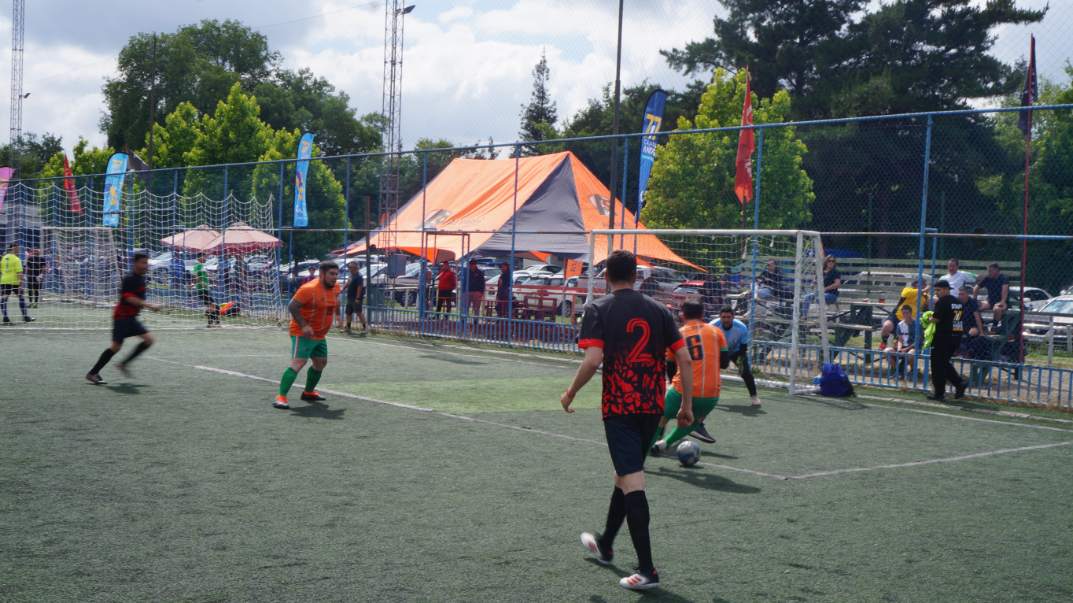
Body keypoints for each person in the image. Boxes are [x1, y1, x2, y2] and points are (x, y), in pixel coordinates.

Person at [564, 249, 692, 591]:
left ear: (605, 277)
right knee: (624, 474)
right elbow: (684, 358)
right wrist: (686, 406)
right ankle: (605, 545)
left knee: (633, 481)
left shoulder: (599, 308)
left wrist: (571, 392)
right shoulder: (660, 310)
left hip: (620, 407)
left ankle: (647, 571)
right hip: (652, 407)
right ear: (637, 277)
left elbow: (593, 360)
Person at [650, 300, 728, 455]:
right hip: (710, 392)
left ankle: (644, 452)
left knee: (661, 418)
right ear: (702, 315)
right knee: (699, 417)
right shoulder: (717, 332)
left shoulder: (678, 333)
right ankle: (666, 443)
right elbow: (725, 363)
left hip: (681, 389)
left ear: (683, 316)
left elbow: (671, 367)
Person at [274, 260, 342, 410]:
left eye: (336, 274)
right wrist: (304, 326)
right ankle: (280, 396)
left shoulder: (336, 287)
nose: (335, 277)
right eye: (331, 274)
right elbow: (292, 305)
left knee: (321, 362)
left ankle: (308, 392)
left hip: (320, 334)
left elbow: (335, 301)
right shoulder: (308, 288)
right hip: (303, 333)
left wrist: (338, 315)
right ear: (322, 274)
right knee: (299, 362)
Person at [85, 252, 162, 384]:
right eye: (143, 262)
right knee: (115, 347)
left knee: (149, 340)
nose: (146, 265)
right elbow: (129, 298)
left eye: (147, 262)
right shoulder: (129, 278)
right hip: (122, 317)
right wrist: (149, 305)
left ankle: (123, 364)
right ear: (135, 263)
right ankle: (92, 373)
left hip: (131, 318)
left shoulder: (141, 278)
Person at [711, 306, 762, 407]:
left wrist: (741, 359)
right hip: (718, 352)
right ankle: (708, 395)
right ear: (719, 316)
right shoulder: (712, 327)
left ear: (733, 316)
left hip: (736, 351)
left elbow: (743, 345)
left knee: (745, 372)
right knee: (710, 372)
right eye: (723, 317)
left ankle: (754, 396)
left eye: (728, 317)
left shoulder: (741, 328)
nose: (726, 320)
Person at [927, 280, 967, 402]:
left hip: (943, 337)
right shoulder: (958, 301)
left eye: (938, 290)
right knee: (943, 362)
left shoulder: (943, 301)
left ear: (946, 289)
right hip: (956, 336)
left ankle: (939, 393)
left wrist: (929, 318)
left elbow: (936, 319)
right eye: (935, 290)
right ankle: (959, 383)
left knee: (937, 365)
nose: (936, 293)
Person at [880, 277, 929, 351]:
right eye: (923, 284)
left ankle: (897, 343)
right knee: (886, 326)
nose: (925, 286)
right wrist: (924, 290)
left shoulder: (925, 296)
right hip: (897, 316)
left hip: (908, 320)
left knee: (903, 337)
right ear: (917, 285)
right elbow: (905, 294)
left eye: (926, 285)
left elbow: (932, 301)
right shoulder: (908, 290)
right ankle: (884, 341)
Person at [1, 243, 34, 323]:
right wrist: (22, 284)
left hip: (4, 280)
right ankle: (25, 316)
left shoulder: (3, 258)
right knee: (21, 297)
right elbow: (19, 272)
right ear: (14, 248)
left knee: (4, 298)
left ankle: (5, 317)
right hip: (14, 281)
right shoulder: (16, 259)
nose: (19, 249)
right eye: (18, 248)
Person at [973, 263, 1009, 332]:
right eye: (988, 271)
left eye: (990, 271)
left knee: (997, 309)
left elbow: (1005, 288)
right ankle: (982, 325)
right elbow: (976, 288)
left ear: (997, 271)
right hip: (990, 301)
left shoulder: (1003, 278)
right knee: (976, 307)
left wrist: (1002, 301)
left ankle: (994, 326)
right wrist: (974, 300)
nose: (988, 273)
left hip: (1003, 301)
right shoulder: (987, 278)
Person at [885, 306, 917, 376]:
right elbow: (900, 339)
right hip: (903, 347)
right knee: (886, 352)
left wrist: (906, 349)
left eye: (907, 313)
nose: (905, 315)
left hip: (913, 347)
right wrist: (899, 349)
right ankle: (897, 371)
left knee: (910, 354)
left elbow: (918, 340)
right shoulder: (900, 324)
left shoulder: (917, 324)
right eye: (903, 313)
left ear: (911, 313)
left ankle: (912, 372)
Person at [193, 252, 220, 328]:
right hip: (202, 290)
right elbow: (193, 274)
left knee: (210, 306)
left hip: (205, 289)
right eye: (204, 257)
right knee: (212, 305)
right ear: (200, 257)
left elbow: (201, 273)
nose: (206, 259)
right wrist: (201, 282)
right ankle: (215, 322)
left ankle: (211, 323)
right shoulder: (197, 265)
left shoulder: (201, 266)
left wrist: (207, 274)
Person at [342, 260, 368, 334]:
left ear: (353, 268)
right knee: (348, 312)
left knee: (359, 312)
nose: (349, 268)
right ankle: (348, 327)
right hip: (350, 297)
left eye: (350, 267)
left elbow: (360, 287)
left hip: (356, 298)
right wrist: (342, 289)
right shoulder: (351, 274)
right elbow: (348, 282)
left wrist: (357, 298)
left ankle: (365, 328)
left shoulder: (359, 276)